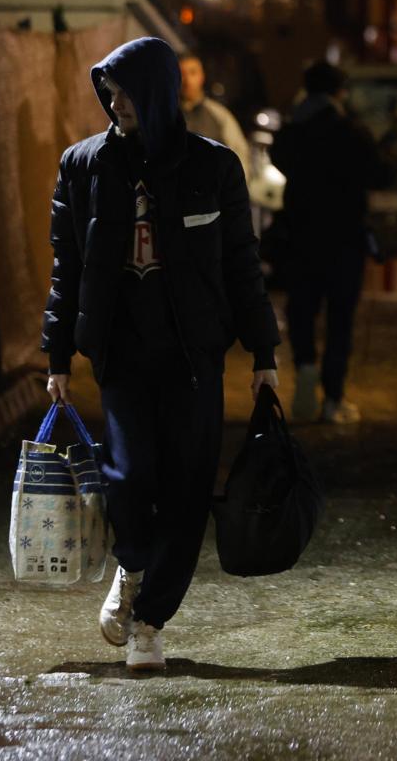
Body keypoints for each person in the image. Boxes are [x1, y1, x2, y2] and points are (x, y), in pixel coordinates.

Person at [41, 37, 280, 672]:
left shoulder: (214, 166)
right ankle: (133, 565)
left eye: (123, 91)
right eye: (109, 92)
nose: (113, 103)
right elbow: (68, 268)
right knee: (128, 475)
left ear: (155, 92)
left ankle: (150, 621)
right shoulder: (84, 165)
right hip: (119, 353)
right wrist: (57, 355)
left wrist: (264, 350)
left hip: (194, 355)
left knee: (187, 487)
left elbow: (241, 265)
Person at [270, 60, 389, 424]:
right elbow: (380, 174)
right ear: (339, 91)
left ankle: (305, 366)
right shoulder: (351, 131)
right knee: (340, 319)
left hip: (301, 236)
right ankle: (333, 399)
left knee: (302, 309)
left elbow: (281, 161)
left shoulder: (291, 131)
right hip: (345, 239)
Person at [178, 52, 252, 180]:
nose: (187, 80)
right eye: (182, 74)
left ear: (202, 76)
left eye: (193, 72)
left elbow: (239, 154)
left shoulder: (219, 116)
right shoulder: (163, 111)